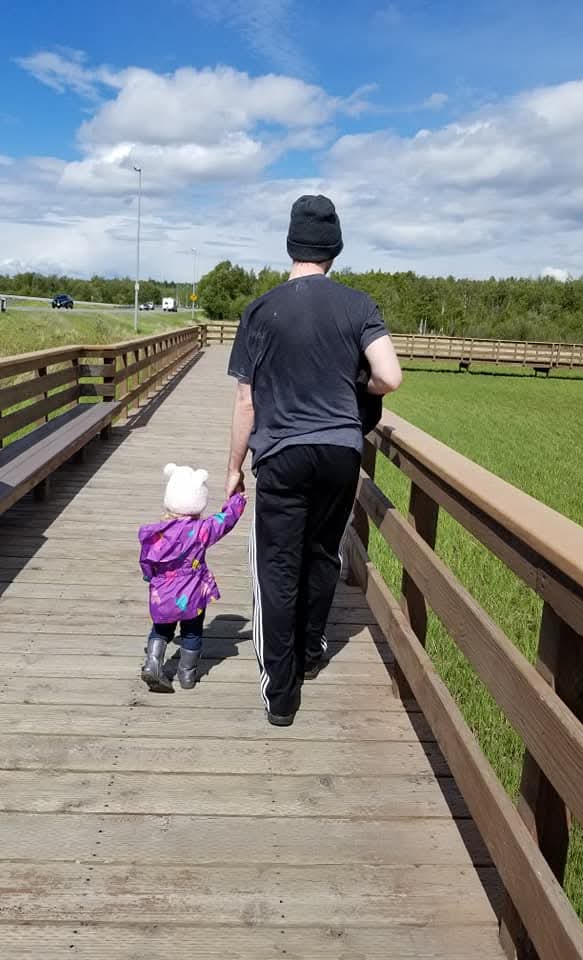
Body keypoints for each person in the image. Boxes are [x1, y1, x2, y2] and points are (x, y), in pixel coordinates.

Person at [225, 194, 402, 726]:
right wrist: (358, 388)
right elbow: (389, 377)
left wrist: (233, 469)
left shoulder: (261, 310)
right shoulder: (358, 305)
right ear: (334, 249)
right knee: (323, 553)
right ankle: (309, 649)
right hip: (341, 452)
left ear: (291, 245)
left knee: (277, 566)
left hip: (282, 453)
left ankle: (282, 694)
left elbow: (246, 403)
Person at [138, 463, 246, 692]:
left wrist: (151, 578)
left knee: (161, 630)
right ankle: (187, 675)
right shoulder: (201, 530)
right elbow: (225, 520)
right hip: (193, 592)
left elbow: (146, 561)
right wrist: (237, 500)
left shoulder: (155, 534)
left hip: (162, 593)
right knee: (192, 632)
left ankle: (153, 663)